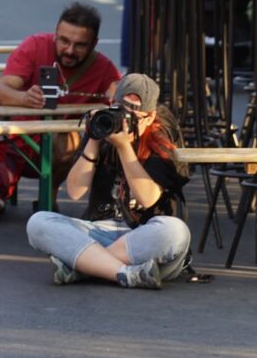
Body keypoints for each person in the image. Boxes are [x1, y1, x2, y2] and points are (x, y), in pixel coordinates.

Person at [26, 74, 191, 289]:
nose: (125, 122)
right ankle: (125, 273)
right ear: (112, 104)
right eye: (121, 111)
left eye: (134, 116)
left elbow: (148, 199)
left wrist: (124, 147)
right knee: (38, 222)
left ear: (150, 118)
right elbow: (75, 191)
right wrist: (94, 138)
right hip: (99, 231)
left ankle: (86, 266)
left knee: (175, 231)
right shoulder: (103, 127)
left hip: (143, 237)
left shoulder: (159, 139)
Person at [0, 2, 121, 216]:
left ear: (94, 44)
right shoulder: (35, 46)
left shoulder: (104, 68)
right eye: (64, 41)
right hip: (16, 145)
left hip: (65, 155)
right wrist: (24, 98)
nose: (70, 50)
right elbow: (1, 90)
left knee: (78, 139)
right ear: (55, 34)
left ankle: (52, 197)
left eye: (80, 45)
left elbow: (120, 100)